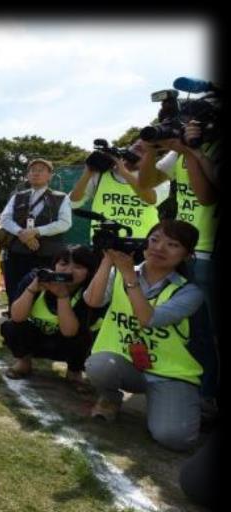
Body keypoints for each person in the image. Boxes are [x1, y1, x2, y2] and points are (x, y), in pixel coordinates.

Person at [83, 220, 204, 451]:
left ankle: (169, 402)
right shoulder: (121, 270)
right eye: (155, 239)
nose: (159, 248)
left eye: (173, 244)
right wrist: (108, 259)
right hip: (128, 365)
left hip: (170, 374)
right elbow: (92, 300)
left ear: (187, 255)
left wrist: (129, 274)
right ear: (144, 243)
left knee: (174, 438)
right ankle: (110, 396)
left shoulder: (189, 292)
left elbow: (147, 319)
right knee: (99, 365)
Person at [137, 122, 220, 421]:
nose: (190, 126)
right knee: (190, 330)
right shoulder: (178, 152)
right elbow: (146, 182)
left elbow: (205, 197)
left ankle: (207, 397)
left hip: (207, 249)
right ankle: (196, 392)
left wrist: (189, 151)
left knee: (206, 331)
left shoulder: (205, 150)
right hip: (183, 252)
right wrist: (150, 149)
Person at [0, 245, 101, 384]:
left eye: (78, 267)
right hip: (37, 341)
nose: (69, 270)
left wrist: (62, 296)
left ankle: (74, 371)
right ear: (54, 265)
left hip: (67, 344)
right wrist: (31, 289)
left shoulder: (90, 293)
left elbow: (70, 332)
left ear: (89, 271)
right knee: (11, 327)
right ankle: (24, 362)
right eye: (63, 264)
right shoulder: (35, 278)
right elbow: (16, 317)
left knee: (84, 336)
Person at [0, 158, 72, 307]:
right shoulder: (17, 197)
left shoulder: (61, 197)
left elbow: (64, 223)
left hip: (47, 257)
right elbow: (5, 219)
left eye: (41, 170)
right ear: (27, 175)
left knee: (44, 295)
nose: (36, 173)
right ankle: (15, 320)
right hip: (16, 255)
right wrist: (22, 234)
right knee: (15, 291)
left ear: (50, 175)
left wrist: (36, 231)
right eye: (32, 170)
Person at [69, 140, 165, 240]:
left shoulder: (158, 176)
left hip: (142, 242)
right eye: (136, 147)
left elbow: (151, 199)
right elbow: (73, 202)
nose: (137, 151)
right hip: (105, 242)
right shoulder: (102, 175)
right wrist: (88, 172)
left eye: (142, 150)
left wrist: (124, 172)